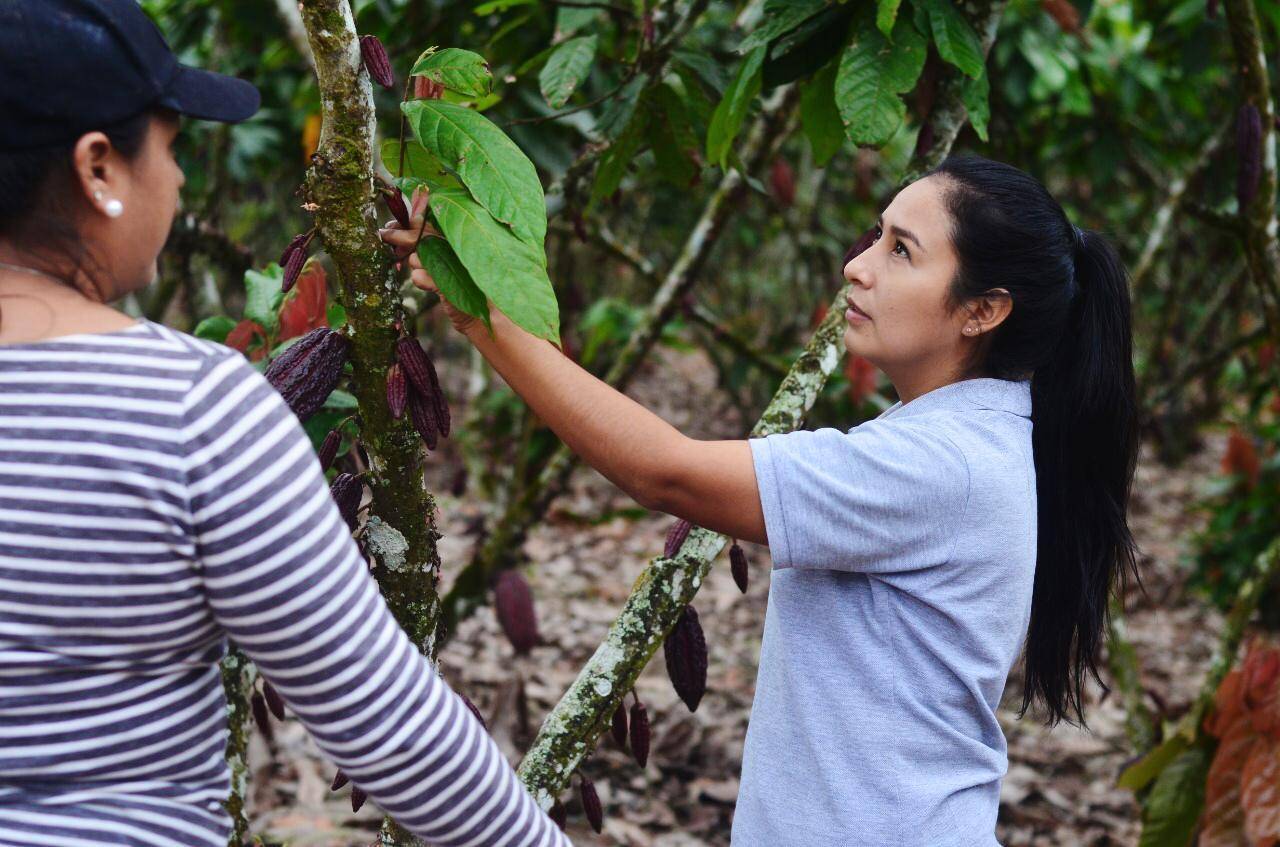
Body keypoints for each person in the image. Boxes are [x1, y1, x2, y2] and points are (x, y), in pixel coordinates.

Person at [380, 155, 1141, 846]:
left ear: (984, 310)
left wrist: (479, 312)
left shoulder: (943, 464)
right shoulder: (963, 436)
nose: (857, 266)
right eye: (875, 237)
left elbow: (665, 474)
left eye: (901, 251)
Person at [0, 2, 571, 846]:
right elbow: (389, 723)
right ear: (98, 169)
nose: (183, 181)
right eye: (170, 147)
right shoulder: (193, 406)